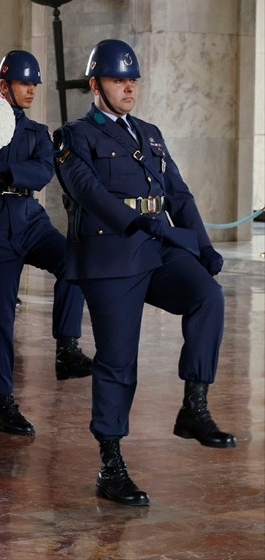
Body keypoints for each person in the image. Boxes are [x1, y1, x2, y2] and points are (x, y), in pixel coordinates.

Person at [54, 39, 233, 507]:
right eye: (119, 80)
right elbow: (87, 191)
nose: (129, 88)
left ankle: (194, 407)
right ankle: (111, 465)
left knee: (207, 296)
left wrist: (204, 246)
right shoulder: (73, 135)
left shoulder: (149, 132)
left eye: (133, 80)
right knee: (118, 360)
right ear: (96, 85)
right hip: (110, 255)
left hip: (157, 247)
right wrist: (135, 222)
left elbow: (179, 193)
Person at [0, 50, 93, 437]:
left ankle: (67, 347)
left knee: (73, 262)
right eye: (24, 83)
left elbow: (42, 172)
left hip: (31, 219)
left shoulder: (38, 132)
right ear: (3, 85)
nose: (31, 90)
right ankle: (2, 403)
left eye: (33, 84)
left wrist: (4, 169)